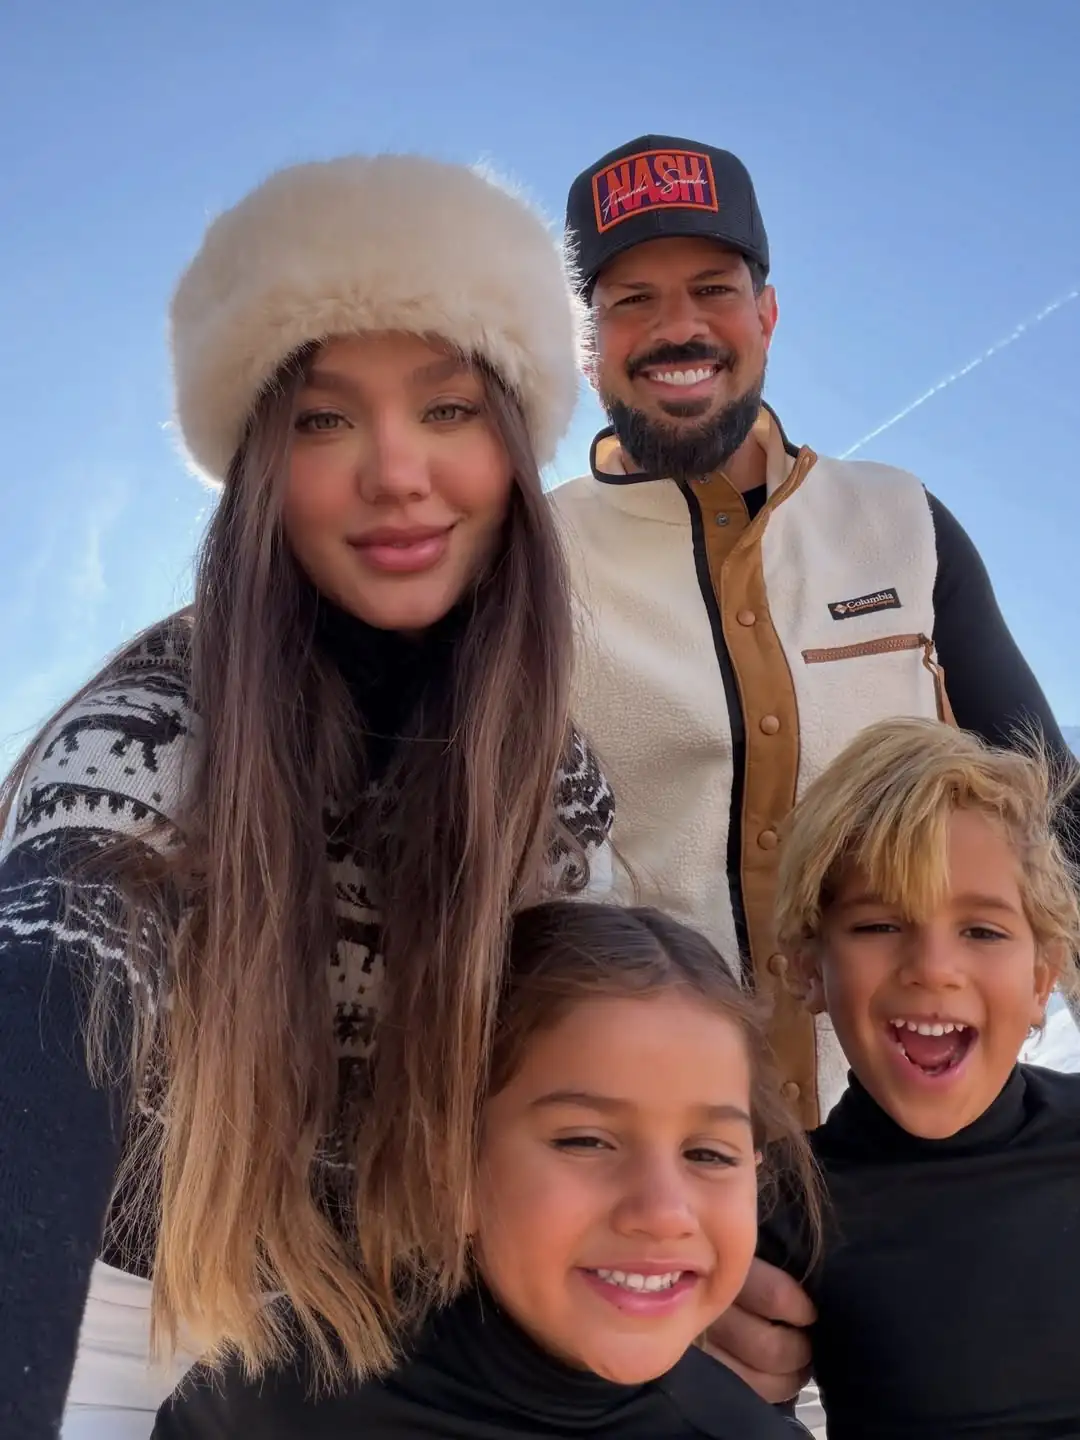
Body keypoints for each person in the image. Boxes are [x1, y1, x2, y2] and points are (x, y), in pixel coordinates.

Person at [0, 153, 617, 1440]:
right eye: (323, 421)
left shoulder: (550, 779)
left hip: (423, 1317)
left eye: (448, 408)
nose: (396, 472)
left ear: (513, 446)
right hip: (132, 1322)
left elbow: (602, 1083)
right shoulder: (145, 733)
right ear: (256, 474)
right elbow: (41, 1016)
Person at [550, 131, 1079, 1398]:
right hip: (652, 1202)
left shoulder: (902, 519)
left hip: (912, 1174)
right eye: (631, 300)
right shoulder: (531, 562)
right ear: (586, 342)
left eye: (713, 289)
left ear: (768, 313)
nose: (678, 327)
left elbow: (1057, 813)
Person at [155, 901, 817, 1438]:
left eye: (709, 1155)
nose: (664, 1212)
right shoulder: (267, 1405)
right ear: (453, 1168)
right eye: (586, 1142)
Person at [755, 716, 1080, 1437]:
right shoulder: (784, 1202)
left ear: (1041, 980)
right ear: (809, 968)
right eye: (879, 925)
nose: (933, 968)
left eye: (983, 931)